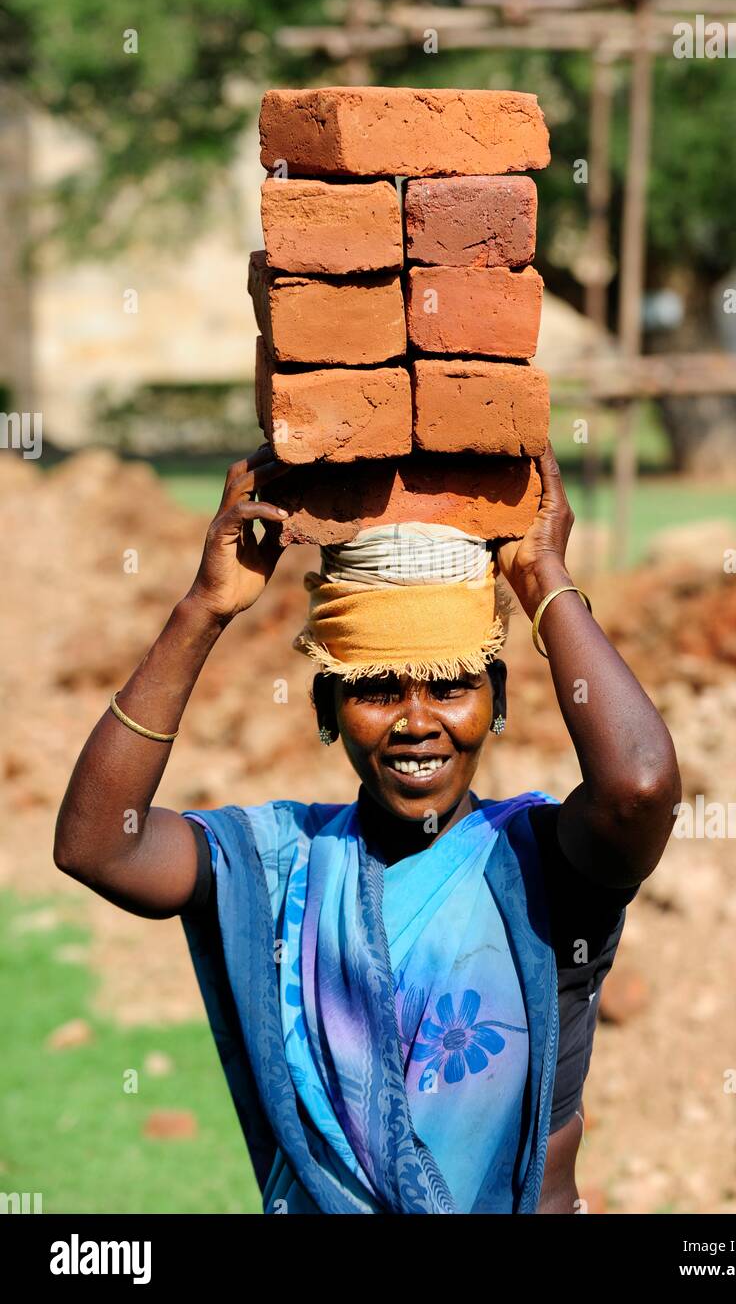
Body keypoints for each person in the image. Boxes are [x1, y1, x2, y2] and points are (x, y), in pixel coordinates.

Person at [55, 440, 680, 1215]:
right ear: (326, 713)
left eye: (453, 686)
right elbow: (97, 844)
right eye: (376, 689)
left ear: (500, 703)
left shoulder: (542, 867)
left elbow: (642, 788)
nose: (418, 723)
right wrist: (202, 611)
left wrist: (544, 580)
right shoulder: (285, 865)